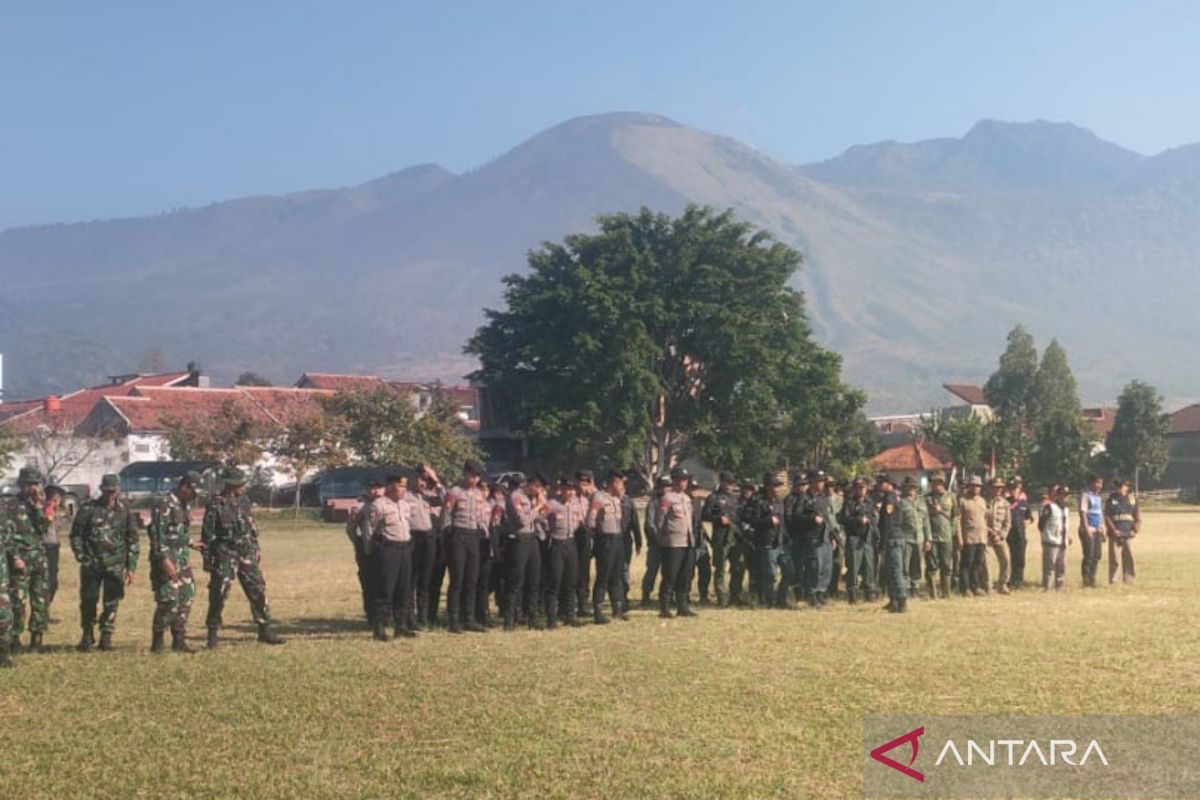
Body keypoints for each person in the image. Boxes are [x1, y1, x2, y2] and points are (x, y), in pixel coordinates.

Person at [202, 467, 285, 648]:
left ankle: (265, 630)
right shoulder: (215, 504)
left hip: (246, 553)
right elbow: (207, 535)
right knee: (219, 593)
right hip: (225, 554)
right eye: (241, 483)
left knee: (258, 589)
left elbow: (250, 527)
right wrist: (207, 560)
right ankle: (212, 634)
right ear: (232, 485)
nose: (244, 486)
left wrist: (256, 547)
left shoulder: (244, 501)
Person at [70, 473, 140, 652]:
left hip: (115, 565)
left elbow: (132, 539)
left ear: (118, 490)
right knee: (88, 601)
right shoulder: (88, 508)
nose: (110, 494)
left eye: (113, 491)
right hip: (92, 564)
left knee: (112, 601)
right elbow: (76, 535)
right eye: (107, 491)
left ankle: (106, 637)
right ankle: (87, 635)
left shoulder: (125, 511)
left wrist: (131, 567)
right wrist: (81, 555)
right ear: (101, 489)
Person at [147, 471, 203, 653]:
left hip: (182, 558)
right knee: (168, 600)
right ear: (184, 487)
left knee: (187, 596)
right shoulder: (164, 504)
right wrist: (164, 560)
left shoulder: (183, 505)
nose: (194, 497)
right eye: (193, 492)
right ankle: (157, 641)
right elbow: (156, 535)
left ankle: (179, 639)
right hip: (166, 560)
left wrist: (191, 543)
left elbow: (178, 531)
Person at [437, 460, 490, 634]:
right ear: (465, 473)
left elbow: (481, 515)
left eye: (477, 476)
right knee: (457, 580)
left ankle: (469, 618)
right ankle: (453, 619)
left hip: (474, 537)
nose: (474, 479)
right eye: (471, 475)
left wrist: (484, 530)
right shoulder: (455, 492)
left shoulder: (478, 494)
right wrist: (447, 536)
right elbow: (446, 514)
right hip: (458, 536)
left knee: (471, 580)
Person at [366, 473, 417, 641]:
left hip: (405, 549)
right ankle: (379, 628)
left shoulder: (405, 505)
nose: (402, 490)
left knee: (404, 589)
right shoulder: (379, 505)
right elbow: (371, 530)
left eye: (404, 486)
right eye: (399, 486)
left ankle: (401, 626)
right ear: (389, 486)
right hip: (388, 549)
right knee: (386, 589)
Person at [5, 467, 50, 654]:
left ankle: (37, 638)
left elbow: (43, 529)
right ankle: (15, 638)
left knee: (40, 600)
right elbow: (5, 534)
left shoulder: (38, 504)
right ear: (21, 485)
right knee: (18, 602)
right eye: (28, 484)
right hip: (20, 560)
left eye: (35, 484)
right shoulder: (10, 505)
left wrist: (39, 507)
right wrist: (15, 556)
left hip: (39, 560)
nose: (32, 488)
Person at [504, 472, 548, 630]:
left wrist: (543, 505)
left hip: (533, 539)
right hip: (519, 539)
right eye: (537, 487)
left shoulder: (534, 498)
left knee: (534, 580)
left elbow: (543, 518)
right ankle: (509, 620)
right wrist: (537, 507)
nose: (539, 491)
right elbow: (522, 520)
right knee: (516, 580)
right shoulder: (516, 496)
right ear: (531, 484)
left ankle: (533, 618)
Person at [652, 468, 697, 619]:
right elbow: (659, 520)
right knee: (670, 575)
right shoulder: (667, 498)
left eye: (685, 479)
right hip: (672, 542)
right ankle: (664, 607)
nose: (684, 482)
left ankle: (682, 606)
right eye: (681, 479)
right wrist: (662, 538)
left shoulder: (686, 498)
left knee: (685, 575)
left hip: (687, 541)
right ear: (674, 480)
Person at [586, 470, 628, 624]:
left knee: (617, 575)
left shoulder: (617, 499)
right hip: (605, 540)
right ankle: (597, 611)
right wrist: (596, 536)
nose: (623, 486)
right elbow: (591, 518)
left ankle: (617, 609)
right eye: (621, 483)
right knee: (603, 575)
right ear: (614, 483)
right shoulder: (599, 497)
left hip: (617, 539)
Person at [544, 476, 585, 628]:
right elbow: (539, 518)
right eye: (568, 489)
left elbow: (580, 521)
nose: (570, 492)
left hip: (570, 544)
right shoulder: (553, 504)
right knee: (555, 582)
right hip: (557, 544)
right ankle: (551, 618)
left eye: (572, 490)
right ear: (562, 490)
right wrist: (547, 532)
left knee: (571, 581)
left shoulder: (575, 505)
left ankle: (569, 615)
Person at [407, 465, 444, 630]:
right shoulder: (406, 497)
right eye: (419, 479)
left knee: (426, 580)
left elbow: (445, 498)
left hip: (429, 539)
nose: (421, 483)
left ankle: (424, 617)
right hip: (413, 538)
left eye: (424, 480)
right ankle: (409, 617)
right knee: (411, 580)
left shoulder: (430, 497)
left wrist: (435, 479)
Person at [748, 473, 792, 609]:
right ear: (768, 487)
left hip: (781, 543)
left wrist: (787, 537)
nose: (777, 489)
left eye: (779, 486)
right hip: (767, 543)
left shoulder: (779, 502)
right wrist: (768, 521)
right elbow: (753, 521)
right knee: (770, 575)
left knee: (790, 571)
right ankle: (769, 601)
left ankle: (782, 598)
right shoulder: (759, 501)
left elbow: (783, 522)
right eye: (774, 486)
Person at [700, 471, 740, 607]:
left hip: (735, 537)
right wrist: (718, 518)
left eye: (732, 483)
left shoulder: (735, 499)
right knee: (720, 568)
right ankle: (721, 597)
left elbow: (739, 517)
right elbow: (705, 514)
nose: (730, 486)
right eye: (727, 483)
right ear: (721, 482)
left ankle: (735, 595)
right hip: (721, 538)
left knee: (737, 567)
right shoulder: (714, 498)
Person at [838, 478, 878, 603]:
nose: (860, 490)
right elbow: (844, 519)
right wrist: (858, 520)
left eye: (863, 487)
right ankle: (853, 595)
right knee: (854, 567)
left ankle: (869, 594)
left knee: (869, 567)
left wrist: (871, 523)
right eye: (858, 487)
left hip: (867, 539)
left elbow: (875, 517)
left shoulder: (870, 502)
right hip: (854, 538)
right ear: (854, 489)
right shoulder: (849, 503)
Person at [345, 480, 378, 626]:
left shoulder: (388, 503)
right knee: (369, 583)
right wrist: (359, 544)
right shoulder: (359, 506)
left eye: (378, 488)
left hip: (386, 549)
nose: (374, 491)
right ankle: (371, 615)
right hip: (366, 550)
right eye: (371, 488)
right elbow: (350, 529)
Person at [876, 474, 906, 613]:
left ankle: (901, 600)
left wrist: (882, 543)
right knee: (890, 571)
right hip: (893, 538)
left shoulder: (890, 499)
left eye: (881, 483)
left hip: (892, 539)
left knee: (895, 570)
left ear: (888, 483)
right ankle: (893, 599)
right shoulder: (891, 497)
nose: (878, 485)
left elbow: (887, 523)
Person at [923, 472, 956, 599]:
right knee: (932, 565)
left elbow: (955, 516)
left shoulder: (951, 497)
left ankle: (946, 592)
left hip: (946, 536)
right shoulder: (927, 498)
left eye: (937, 482)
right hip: (932, 536)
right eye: (933, 483)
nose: (935, 485)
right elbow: (924, 518)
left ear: (942, 483)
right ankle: (933, 593)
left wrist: (952, 532)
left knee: (946, 565)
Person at [897, 477, 930, 599]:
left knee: (917, 565)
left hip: (920, 539)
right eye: (908, 487)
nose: (911, 489)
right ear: (904, 488)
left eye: (913, 487)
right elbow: (898, 523)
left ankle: (915, 588)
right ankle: (905, 588)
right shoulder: (901, 503)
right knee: (905, 565)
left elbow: (926, 522)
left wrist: (928, 539)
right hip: (906, 539)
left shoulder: (921, 502)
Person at [639, 475, 670, 608]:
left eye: (668, 486)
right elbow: (649, 524)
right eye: (663, 486)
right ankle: (646, 596)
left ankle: (667, 597)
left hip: (671, 543)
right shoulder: (654, 502)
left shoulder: (675, 500)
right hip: (656, 544)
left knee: (669, 572)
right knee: (652, 570)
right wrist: (655, 539)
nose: (666, 489)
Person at [956, 476, 988, 596]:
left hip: (981, 537)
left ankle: (976, 586)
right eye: (973, 485)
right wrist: (959, 537)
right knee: (966, 563)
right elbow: (958, 520)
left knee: (978, 563)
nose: (976, 488)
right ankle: (965, 588)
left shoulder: (982, 501)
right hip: (968, 537)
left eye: (978, 486)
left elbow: (985, 519)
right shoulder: (963, 501)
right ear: (969, 486)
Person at [1104, 478, 1140, 584]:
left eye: (1122, 486)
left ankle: (1129, 579)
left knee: (1129, 557)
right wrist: (1113, 530)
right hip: (1115, 533)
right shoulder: (1111, 500)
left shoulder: (1132, 499)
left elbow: (1137, 516)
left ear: (1126, 487)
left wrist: (1135, 529)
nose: (1119, 489)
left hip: (1128, 532)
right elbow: (1107, 516)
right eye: (1117, 487)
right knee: (1115, 558)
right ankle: (1113, 580)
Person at [782, 471, 810, 605]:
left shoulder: (807, 498)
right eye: (800, 485)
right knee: (796, 568)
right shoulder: (790, 499)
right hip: (794, 537)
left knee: (806, 567)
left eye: (804, 484)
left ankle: (805, 593)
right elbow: (788, 518)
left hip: (806, 538)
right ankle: (798, 595)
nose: (803, 487)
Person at [731, 479, 758, 605]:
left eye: (750, 488)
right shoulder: (734, 502)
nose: (747, 491)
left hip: (755, 540)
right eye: (745, 488)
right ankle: (735, 595)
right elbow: (729, 518)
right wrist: (740, 530)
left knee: (754, 569)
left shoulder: (757, 503)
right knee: (738, 568)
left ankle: (753, 594)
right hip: (739, 540)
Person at [1038, 484, 1070, 590]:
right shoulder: (1050, 507)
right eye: (1062, 494)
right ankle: (1046, 586)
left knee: (1061, 566)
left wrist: (1068, 536)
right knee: (1049, 566)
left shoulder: (1066, 509)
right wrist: (1047, 535)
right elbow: (1041, 524)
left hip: (1062, 541)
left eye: (1066, 495)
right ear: (1057, 495)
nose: (1064, 497)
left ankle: (1060, 586)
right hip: (1051, 540)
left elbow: (1066, 525)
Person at [42, 485, 67, 617]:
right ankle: (43, 613)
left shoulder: (55, 511)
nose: (58, 501)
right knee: (48, 582)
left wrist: (63, 518)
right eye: (56, 498)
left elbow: (56, 528)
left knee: (53, 582)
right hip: (46, 547)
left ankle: (45, 611)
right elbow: (48, 522)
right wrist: (50, 508)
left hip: (54, 546)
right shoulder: (45, 509)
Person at [688, 478, 713, 605]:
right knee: (688, 570)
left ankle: (704, 594)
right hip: (688, 541)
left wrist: (708, 539)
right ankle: (684, 595)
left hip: (700, 538)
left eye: (696, 488)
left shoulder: (698, 502)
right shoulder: (684, 501)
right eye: (692, 488)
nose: (695, 491)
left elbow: (700, 522)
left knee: (705, 569)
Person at [986, 477, 1012, 594]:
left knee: (1006, 559)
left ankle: (1003, 584)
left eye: (1000, 487)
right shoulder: (984, 502)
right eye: (995, 487)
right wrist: (989, 531)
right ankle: (988, 585)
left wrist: (1002, 535)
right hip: (986, 536)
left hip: (1000, 536)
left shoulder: (1005, 503)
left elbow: (1007, 522)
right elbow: (980, 519)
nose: (998, 489)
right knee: (986, 561)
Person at [618, 483, 642, 612]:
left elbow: (635, 523)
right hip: (611, 541)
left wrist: (639, 541)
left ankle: (623, 598)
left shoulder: (629, 503)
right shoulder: (607, 501)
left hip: (625, 541)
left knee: (624, 570)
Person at [1078, 475, 1105, 588]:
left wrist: (1103, 529)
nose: (1099, 485)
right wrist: (1087, 528)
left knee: (1097, 555)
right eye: (1097, 483)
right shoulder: (1085, 496)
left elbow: (1100, 514)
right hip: (1088, 529)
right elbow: (1083, 513)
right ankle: (1086, 580)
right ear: (1091, 483)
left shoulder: (1098, 498)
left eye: (1100, 483)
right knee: (1088, 555)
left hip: (1097, 529)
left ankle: (1092, 578)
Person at [1006, 476, 1032, 589]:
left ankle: (1019, 581)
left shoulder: (1023, 502)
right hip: (1009, 535)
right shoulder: (1006, 502)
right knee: (1009, 558)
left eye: (1015, 488)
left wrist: (1028, 521)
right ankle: (1011, 580)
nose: (1014, 491)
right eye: (1012, 488)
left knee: (1020, 559)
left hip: (1021, 534)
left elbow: (1029, 516)